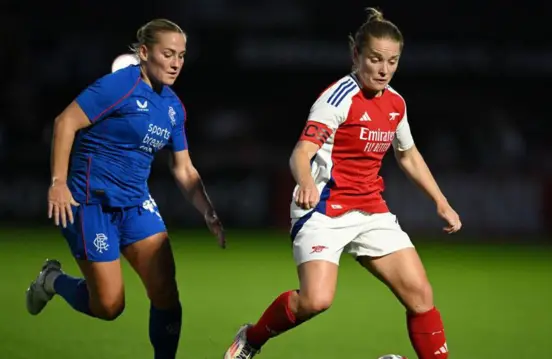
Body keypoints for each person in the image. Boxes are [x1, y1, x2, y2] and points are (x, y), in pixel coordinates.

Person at [223, 7, 460, 359]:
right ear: (356, 55)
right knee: (316, 300)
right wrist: (305, 182)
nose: (383, 69)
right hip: (323, 209)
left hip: (370, 210)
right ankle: (252, 338)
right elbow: (301, 152)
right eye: (375, 59)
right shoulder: (336, 99)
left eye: (392, 61)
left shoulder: (396, 103)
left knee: (421, 296)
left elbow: (407, 155)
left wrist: (441, 201)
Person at [25, 18, 225, 359]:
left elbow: (183, 167)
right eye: (168, 53)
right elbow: (65, 122)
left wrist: (207, 210)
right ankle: (52, 280)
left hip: (135, 204)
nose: (176, 62)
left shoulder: (173, 107)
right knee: (108, 305)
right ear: (145, 53)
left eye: (181, 55)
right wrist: (58, 182)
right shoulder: (119, 86)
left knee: (165, 291)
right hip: (90, 203)